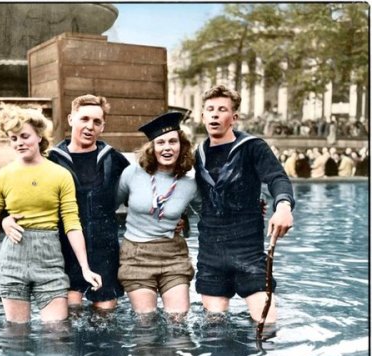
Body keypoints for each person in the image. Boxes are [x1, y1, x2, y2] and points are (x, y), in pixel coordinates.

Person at [0, 104, 101, 323]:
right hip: (12, 263)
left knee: (57, 334)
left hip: (50, 262)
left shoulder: (60, 175)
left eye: (24, 136)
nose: (19, 142)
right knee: (16, 337)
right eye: (13, 138)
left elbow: (72, 224)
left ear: (39, 135)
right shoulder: (0, 178)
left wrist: (85, 268)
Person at [2, 95, 129, 312]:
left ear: (103, 126)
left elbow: (141, 192)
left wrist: (175, 219)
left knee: (105, 315)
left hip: (104, 251)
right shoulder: (50, 160)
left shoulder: (113, 159)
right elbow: (17, 193)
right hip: (62, 252)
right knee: (70, 316)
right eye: (84, 119)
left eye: (96, 122)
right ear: (71, 119)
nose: (89, 126)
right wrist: (5, 219)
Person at [194, 85, 294, 324]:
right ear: (203, 116)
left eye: (222, 109)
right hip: (211, 251)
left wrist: (283, 206)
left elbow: (277, 178)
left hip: (247, 249)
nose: (215, 114)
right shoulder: (197, 153)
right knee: (214, 329)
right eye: (210, 110)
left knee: (266, 325)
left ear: (234, 117)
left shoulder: (252, 147)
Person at [117, 112, 197, 317]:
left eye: (173, 141)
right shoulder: (132, 174)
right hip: (136, 255)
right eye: (160, 142)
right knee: (146, 321)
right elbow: (107, 207)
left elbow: (210, 215)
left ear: (182, 146)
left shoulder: (191, 183)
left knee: (178, 320)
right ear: (152, 148)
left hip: (173, 255)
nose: (167, 148)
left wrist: (184, 222)